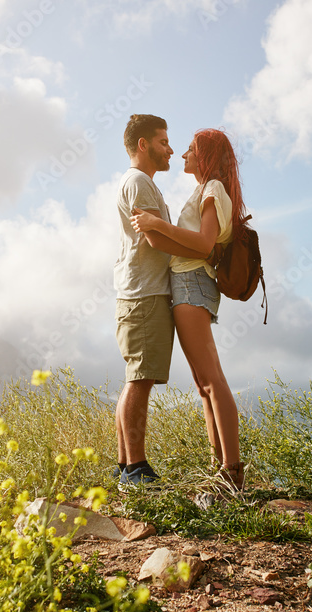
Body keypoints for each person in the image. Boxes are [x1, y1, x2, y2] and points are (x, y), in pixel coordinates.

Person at [130, 128, 245, 490]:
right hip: (189, 283)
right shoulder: (206, 190)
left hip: (193, 282)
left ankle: (232, 471)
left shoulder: (213, 189)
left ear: (206, 155)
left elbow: (203, 243)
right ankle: (221, 470)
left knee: (212, 380)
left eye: (191, 150)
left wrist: (155, 223)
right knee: (203, 385)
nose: (182, 155)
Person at [114, 114, 196, 487]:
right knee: (141, 379)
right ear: (144, 144)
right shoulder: (140, 183)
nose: (171, 149)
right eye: (164, 142)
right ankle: (136, 468)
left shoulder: (139, 183)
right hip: (145, 293)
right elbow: (155, 240)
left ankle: (125, 465)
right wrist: (202, 250)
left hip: (138, 291)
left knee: (136, 378)